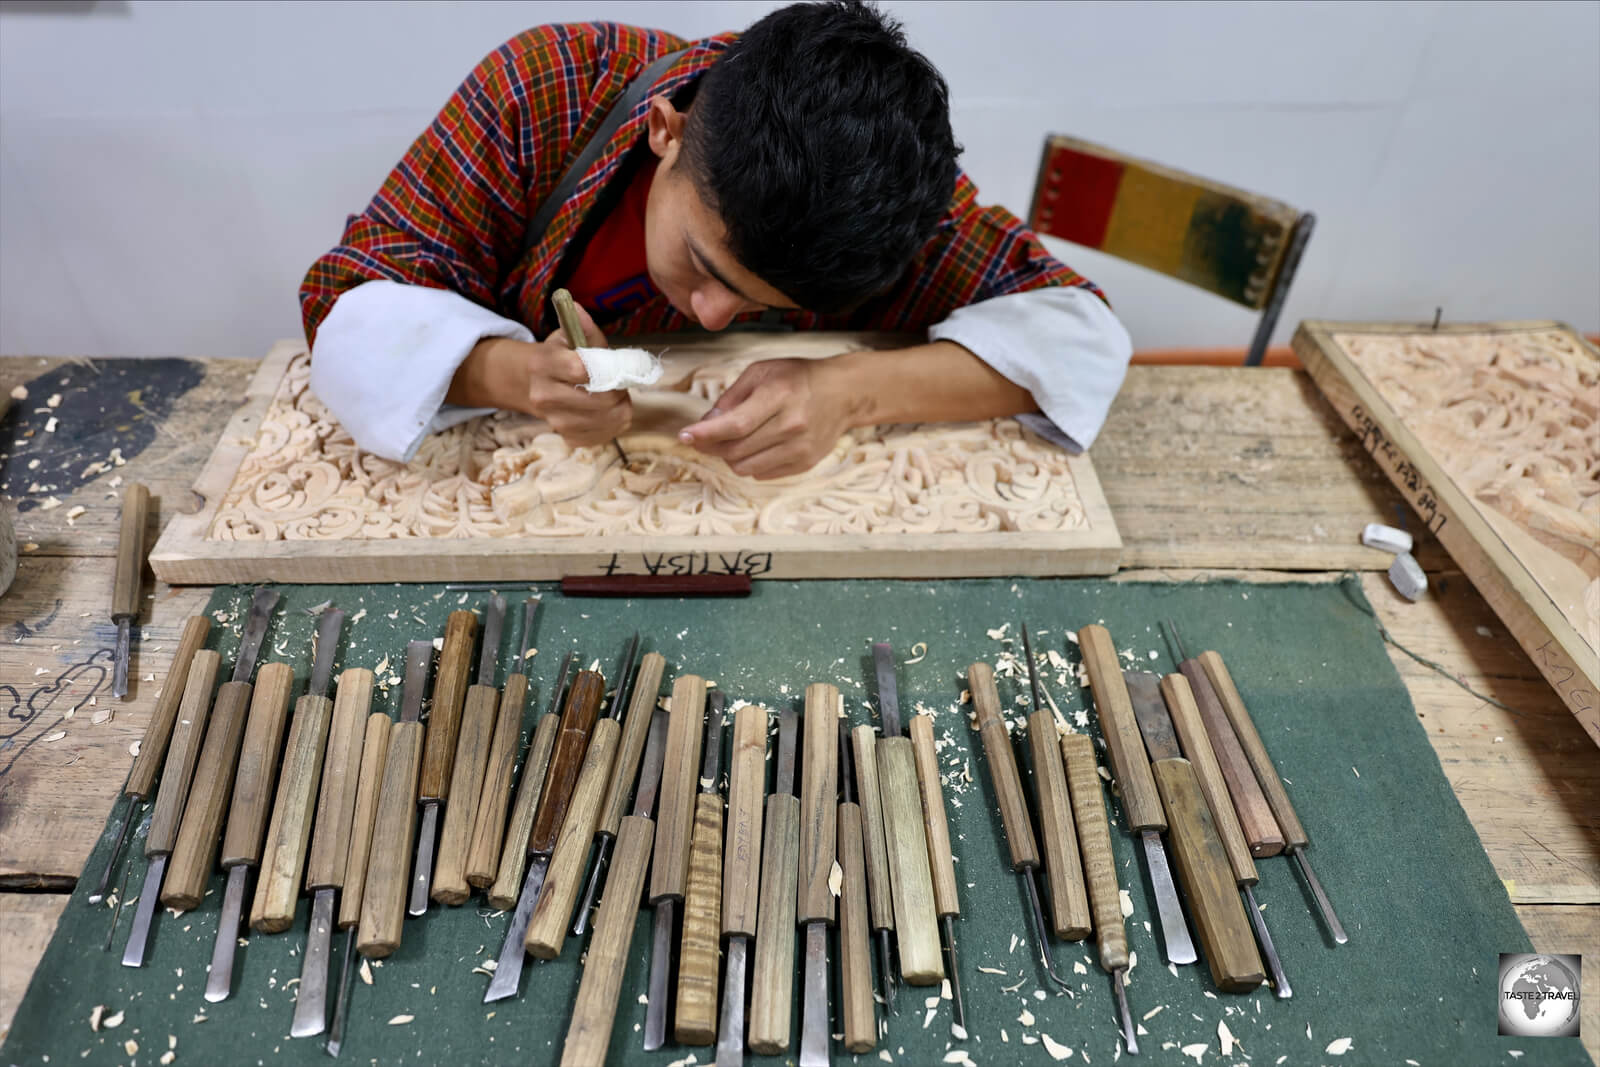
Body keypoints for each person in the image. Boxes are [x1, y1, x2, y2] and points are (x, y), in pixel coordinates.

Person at [300, 1, 1131, 479]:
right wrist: (516, 374)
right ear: (665, 131)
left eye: (761, 305)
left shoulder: (874, 196)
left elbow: (1079, 334)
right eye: (703, 264)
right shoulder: (547, 89)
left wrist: (851, 392)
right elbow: (346, 308)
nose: (710, 317)